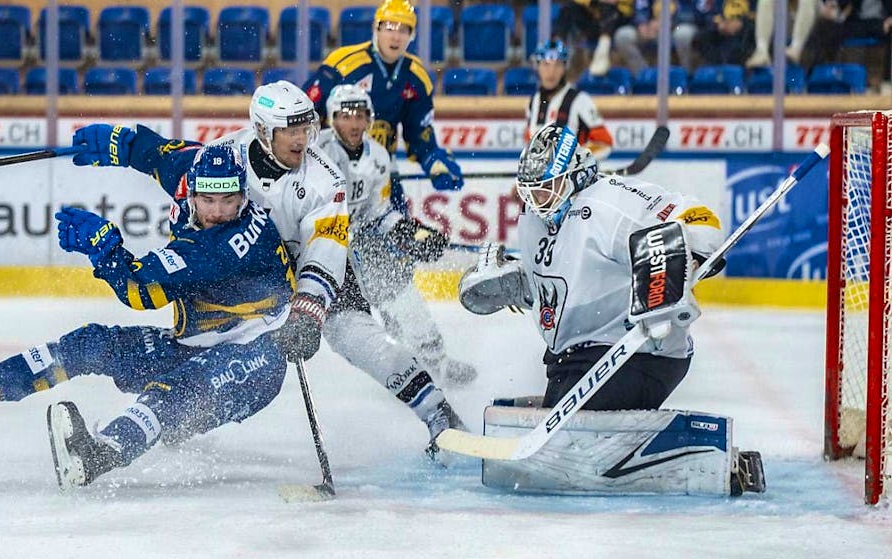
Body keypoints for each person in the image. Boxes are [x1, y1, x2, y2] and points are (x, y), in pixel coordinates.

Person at [69, 82, 466, 459]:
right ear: (261, 130)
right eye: (288, 129)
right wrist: (120, 144)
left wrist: (308, 312)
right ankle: (171, 420)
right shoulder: (227, 153)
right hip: (251, 273)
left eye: (305, 127)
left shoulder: (326, 180)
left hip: (307, 267)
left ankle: (438, 412)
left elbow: (324, 254)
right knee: (210, 350)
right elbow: (165, 159)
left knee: (354, 336)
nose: (301, 139)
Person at [0, 144, 296, 489]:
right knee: (93, 343)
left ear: (243, 197)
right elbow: (162, 157)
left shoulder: (226, 244)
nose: (217, 211)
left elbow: (142, 292)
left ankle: (97, 455)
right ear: (190, 192)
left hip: (257, 358)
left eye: (228, 200)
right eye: (208, 199)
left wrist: (106, 250)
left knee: (174, 393)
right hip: (196, 343)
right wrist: (121, 141)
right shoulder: (193, 187)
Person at [457, 123, 765, 495]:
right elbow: (563, 285)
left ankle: (728, 464)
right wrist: (516, 283)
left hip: (640, 352)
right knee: (560, 433)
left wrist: (686, 255)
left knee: (570, 444)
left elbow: (700, 221)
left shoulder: (610, 201)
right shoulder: (536, 219)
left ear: (575, 175)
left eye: (546, 189)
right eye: (531, 192)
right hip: (573, 359)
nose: (538, 201)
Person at [317, 84, 477, 385]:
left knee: (400, 290)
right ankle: (398, 366)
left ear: (369, 119)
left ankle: (435, 362)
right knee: (353, 318)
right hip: (324, 245)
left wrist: (410, 231)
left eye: (360, 115)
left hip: (361, 240)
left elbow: (379, 211)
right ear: (331, 118)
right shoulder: (317, 152)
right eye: (345, 116)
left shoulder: (379, 156)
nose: (353, 124)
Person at [302, 0, 465, 196]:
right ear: (376, 28)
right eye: (389, 27)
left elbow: (419, 134)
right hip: (333, 169)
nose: (396, 37)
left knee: (400, 224)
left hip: (382, 171)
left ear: (412, 35)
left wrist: (434, 161)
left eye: (404, 29)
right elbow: (306, 112)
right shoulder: (343, 63)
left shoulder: (417, 77)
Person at [524, 39, 614, 160]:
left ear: (564, 68)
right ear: (538, 66)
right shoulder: (533, 101)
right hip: (539, 176)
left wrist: (576, 159)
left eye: (557, 65)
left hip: (571, 177)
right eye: (546, 64)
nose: (551, 71)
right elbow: (529, 139)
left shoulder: (580, 100)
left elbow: (604, 142)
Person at [613, 0, 706, 75]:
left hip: (678, 27)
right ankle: (645, 76)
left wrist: (671, 22)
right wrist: (643, 23)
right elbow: (640, 8)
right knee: (623, 36)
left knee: (683, 35)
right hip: (652, 28)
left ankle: (687, 76)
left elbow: (698, 14)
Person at [744, 0, 818, 67]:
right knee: (765, 1)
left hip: (814, 17)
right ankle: (761, 51)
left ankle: (796, 48)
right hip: (787, 18)